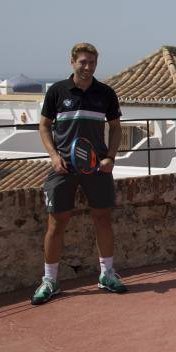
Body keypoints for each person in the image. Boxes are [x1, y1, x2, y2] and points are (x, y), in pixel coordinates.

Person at [32, 42, 127, 305]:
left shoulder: (105, 93)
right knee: (56, 223)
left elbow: (116, 127)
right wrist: (53, 156)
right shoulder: (57, 91)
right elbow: (44, 126)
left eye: (92, 63)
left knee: (103, 219)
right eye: (83, 62)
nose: (87, 67)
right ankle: (50, 280)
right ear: (72, 62)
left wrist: (110, 156)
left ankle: (107, 274)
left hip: (97, 167)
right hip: (63, 168)